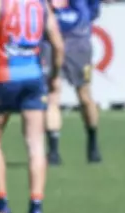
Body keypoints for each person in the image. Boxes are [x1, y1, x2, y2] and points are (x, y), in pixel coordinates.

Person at [0, 0, 64, 213]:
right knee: (35, 144)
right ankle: (36, 206)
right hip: (33, 78)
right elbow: (58, 44)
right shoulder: (40, 4)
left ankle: (2, 204)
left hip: (4, 77)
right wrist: (54, 74)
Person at [43, 0, 105, 165]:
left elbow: (93, 10)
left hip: (77, 41)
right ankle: (54, 150)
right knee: (52, 94)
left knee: (83, 95)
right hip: (50, 39)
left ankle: (92, 141)